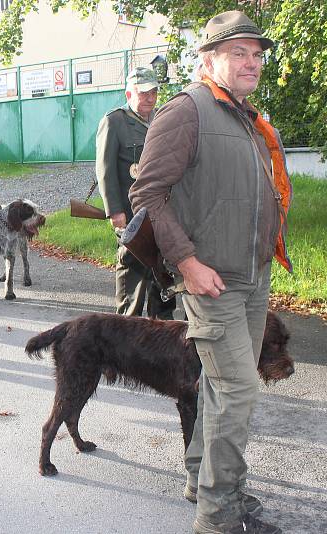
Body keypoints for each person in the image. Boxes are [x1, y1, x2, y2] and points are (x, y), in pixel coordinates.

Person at [130, 11, 292, 534]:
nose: (252, 63)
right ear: (209, 60)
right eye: (238, 53)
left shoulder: (245, 116)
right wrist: (188, 263)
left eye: (257, 54)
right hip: (210, 279)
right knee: (239, 390)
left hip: (250, 277)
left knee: (223, 390)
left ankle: (202, 476)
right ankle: (218, 516)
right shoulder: (187, 111)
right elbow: (147, 193)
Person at [95, 66, 177, 319]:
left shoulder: (162, 118)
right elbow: (105, 169)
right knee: (133, 269)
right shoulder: (115, 121)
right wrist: (115, 211)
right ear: (129, 94)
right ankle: (126, 326)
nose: (150, 98)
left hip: (162, 211)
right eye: (143, 93)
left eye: (153, 92)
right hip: (131, 213)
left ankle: (160, 328)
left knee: (163, 271)